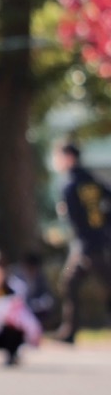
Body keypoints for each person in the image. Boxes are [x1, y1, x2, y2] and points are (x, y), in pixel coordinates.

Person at [52, 140, 111, 343]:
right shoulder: (92, 179)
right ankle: (69, 330)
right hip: (99, 241)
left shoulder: (70, 183)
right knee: (70, 283)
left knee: (75, 283)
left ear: (68, 157)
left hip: (86, 245)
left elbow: (73, 217)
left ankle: (69, 331)